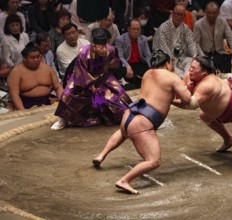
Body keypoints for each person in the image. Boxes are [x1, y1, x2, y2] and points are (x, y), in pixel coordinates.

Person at [92, 50, 191, 194]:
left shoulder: (147, 73)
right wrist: (186, 85)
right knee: (153, 160)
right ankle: (124, 181)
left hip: (129, 115)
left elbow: (161, 96)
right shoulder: (172, 77)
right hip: (142, 123)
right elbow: (187, 100)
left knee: (122, 132)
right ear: (168, 64)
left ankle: (101, 156)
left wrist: (171, 100)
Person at [51, 28, 132, 130]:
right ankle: (64, 119)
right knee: (67, 94)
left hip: (104, 78)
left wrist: (100, 82)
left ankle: (128, 114)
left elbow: (114, 67)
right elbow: (80, 71)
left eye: (105, 46)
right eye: (101, 47)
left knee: (118, 92)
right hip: (82, 79)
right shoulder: (84, 52)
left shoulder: (111, 50)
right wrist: (90, 85)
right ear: (94, 46)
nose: (104, 49)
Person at [7, 43, 63, 110]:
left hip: (48, 101)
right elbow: (14, 95)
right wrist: (23, 111)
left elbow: (58, 87)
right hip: (26, 105)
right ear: (24, 58)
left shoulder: (47, 69)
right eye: (32, 58)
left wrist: (62, 100)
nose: (36, 60)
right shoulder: (16, 72)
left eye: (38, 57)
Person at [153, 5, 197, 78]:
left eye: (181, 15)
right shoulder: (163, 28)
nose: (179, 17)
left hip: (180, 57)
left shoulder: (185, 28)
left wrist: (194, 55)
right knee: (172, 70)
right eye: (177, 14)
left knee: (190, 61)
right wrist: (170, 60)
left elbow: (191, 42)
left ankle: (187, 77)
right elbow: (162, 47)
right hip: (166, 59)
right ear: (173, 13)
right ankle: (183, 78)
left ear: (184, 16)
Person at [193, 1, 232, 73]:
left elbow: (230, 38)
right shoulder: (198, 24)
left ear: (218, 12)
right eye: (209, 12)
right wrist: (203, 57)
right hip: (205, 54)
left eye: (214, 12)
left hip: (219, 53)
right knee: (204, 64)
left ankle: (218, 72)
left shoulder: (223, 21)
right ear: (205, 12)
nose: (211, 15)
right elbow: (196, 43)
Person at [115, 19, 152, 89]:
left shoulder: (143, 39)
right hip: (128, 64)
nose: (136, 31)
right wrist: (127, 66)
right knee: (131, 77)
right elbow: (120, 56)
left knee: (152, 76)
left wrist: (152, 67)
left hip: (140, 63)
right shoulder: (120, 40)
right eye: (134, 29)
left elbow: (148, 55)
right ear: (128, 29)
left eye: (138, 29)